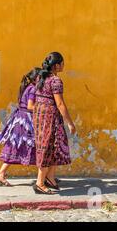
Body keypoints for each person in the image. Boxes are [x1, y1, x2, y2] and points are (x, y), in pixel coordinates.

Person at [32, 52, 75, 194]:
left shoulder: (40, 77)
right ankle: (40, 182)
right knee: (48, 147)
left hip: (39, 115)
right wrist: (70, 123)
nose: (63, 66)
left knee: (51, 146)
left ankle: (50, 177)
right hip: (49, 117)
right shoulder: (55, 81)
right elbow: (60, 103)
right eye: (62, 63)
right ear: (57, 65)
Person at [0, 67, 41, 186]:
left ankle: (45, 176)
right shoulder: (33, 89)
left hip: (20, 119)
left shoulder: (27, 87)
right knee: (30, 146)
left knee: (17, 147)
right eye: (41, 77)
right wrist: (43, 109)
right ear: (36, 78)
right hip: (26, 121)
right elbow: (30, 106)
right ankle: (45, 176)